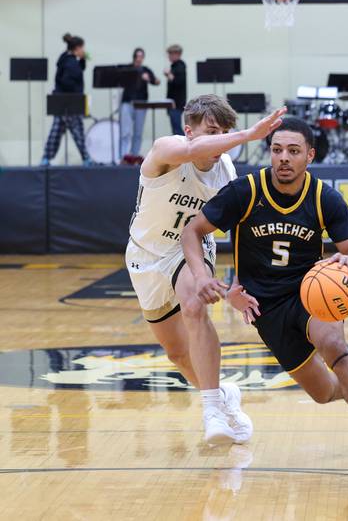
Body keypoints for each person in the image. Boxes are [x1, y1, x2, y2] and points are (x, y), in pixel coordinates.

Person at [181, 117, 348, 474]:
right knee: (323, 392)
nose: (283, 158)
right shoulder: (247, 190)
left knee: (333, 345)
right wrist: (202, 276)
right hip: (265, 308)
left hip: (312, 294)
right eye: (277, 150)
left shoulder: (324, 197)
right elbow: (192, 231)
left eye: (293, 151)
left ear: (309, 155)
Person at [126, 93, 285, 444]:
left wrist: (239, 283)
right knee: (177, 354)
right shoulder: (166, 149)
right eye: (212, 132)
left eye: (225, 133)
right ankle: (224, 396)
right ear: (189, 130)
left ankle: (211, 410)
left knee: (195, 302)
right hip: (145, 256)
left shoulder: (226, 171)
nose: (219, 143)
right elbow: (185, 151)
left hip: (192, 247)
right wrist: (247, 135)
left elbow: (240, 229)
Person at [41, 33, 92, 167]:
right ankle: (86, 158)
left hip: (62, 101)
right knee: (77, 131)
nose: (83, 51)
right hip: (70, 102)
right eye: (82, 48)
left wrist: (82, 59)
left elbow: (80, 69)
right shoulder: (70, 62)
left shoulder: (67, 58)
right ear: (77, 48)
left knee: (56, 132)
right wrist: (76, 96)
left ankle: (46, 158)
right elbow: (68, 80)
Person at [120, 47, 161, 162]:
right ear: (134, 57)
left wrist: (149, 78)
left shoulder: (146, 70)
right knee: (125, 132)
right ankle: (124, 156)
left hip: (141, 103)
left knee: (138, 132)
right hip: (127, 102)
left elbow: (156, 81)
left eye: (141, 57)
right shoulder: (128, 69)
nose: (139, 59)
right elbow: (120, 79)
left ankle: (134, 155)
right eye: (137, 56)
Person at [164, 44, 187, 136]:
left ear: (177, 54)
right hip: (173, 102)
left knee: (177, 129)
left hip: (176, 103)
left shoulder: (180, 66)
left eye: (171, 54)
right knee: (175, 129)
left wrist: (169, 74)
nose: (169, 56)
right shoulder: (174, 66)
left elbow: (178, 82)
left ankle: (185, 147)